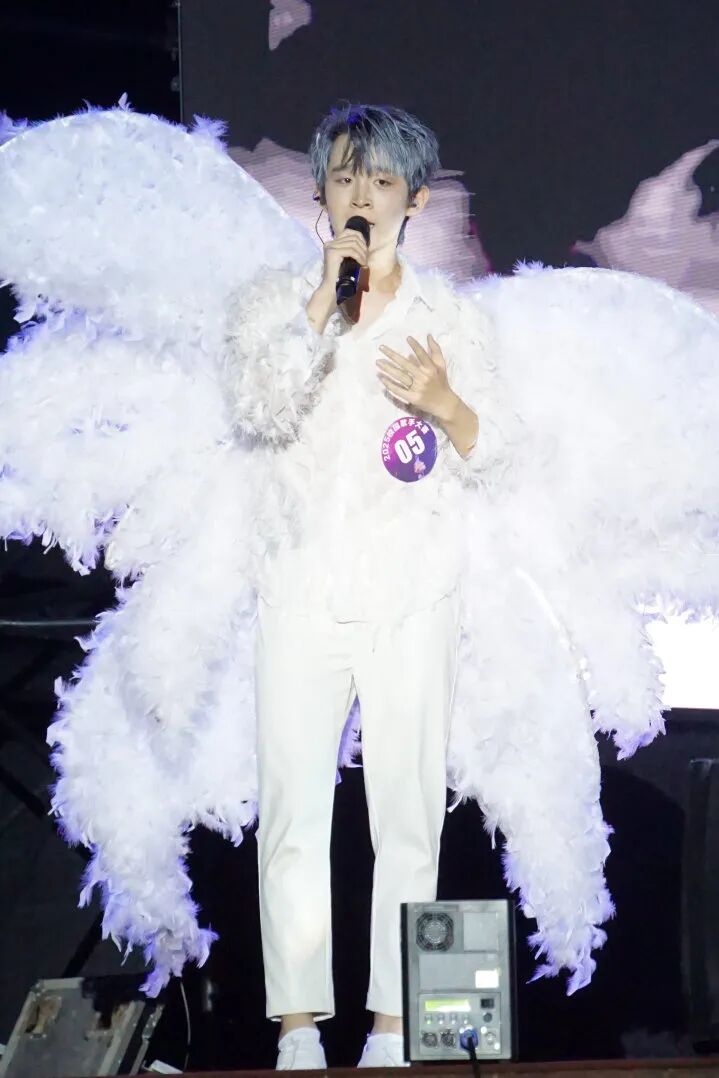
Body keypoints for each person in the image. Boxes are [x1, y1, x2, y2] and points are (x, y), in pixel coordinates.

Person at [220, 102, 504, 1070]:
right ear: (321, 191)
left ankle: (392, 1028)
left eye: (381, 181)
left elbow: (501, 448)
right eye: (345, 177)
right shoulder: (272, 303)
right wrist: (319, 306)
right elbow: (256, 409)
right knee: (292, 812)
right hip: (298, 586)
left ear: (412, 200)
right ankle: (298, 1027)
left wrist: (446, 404)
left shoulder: (449, 319)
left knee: (407, 817)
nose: (362, 196)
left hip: (411, 592)